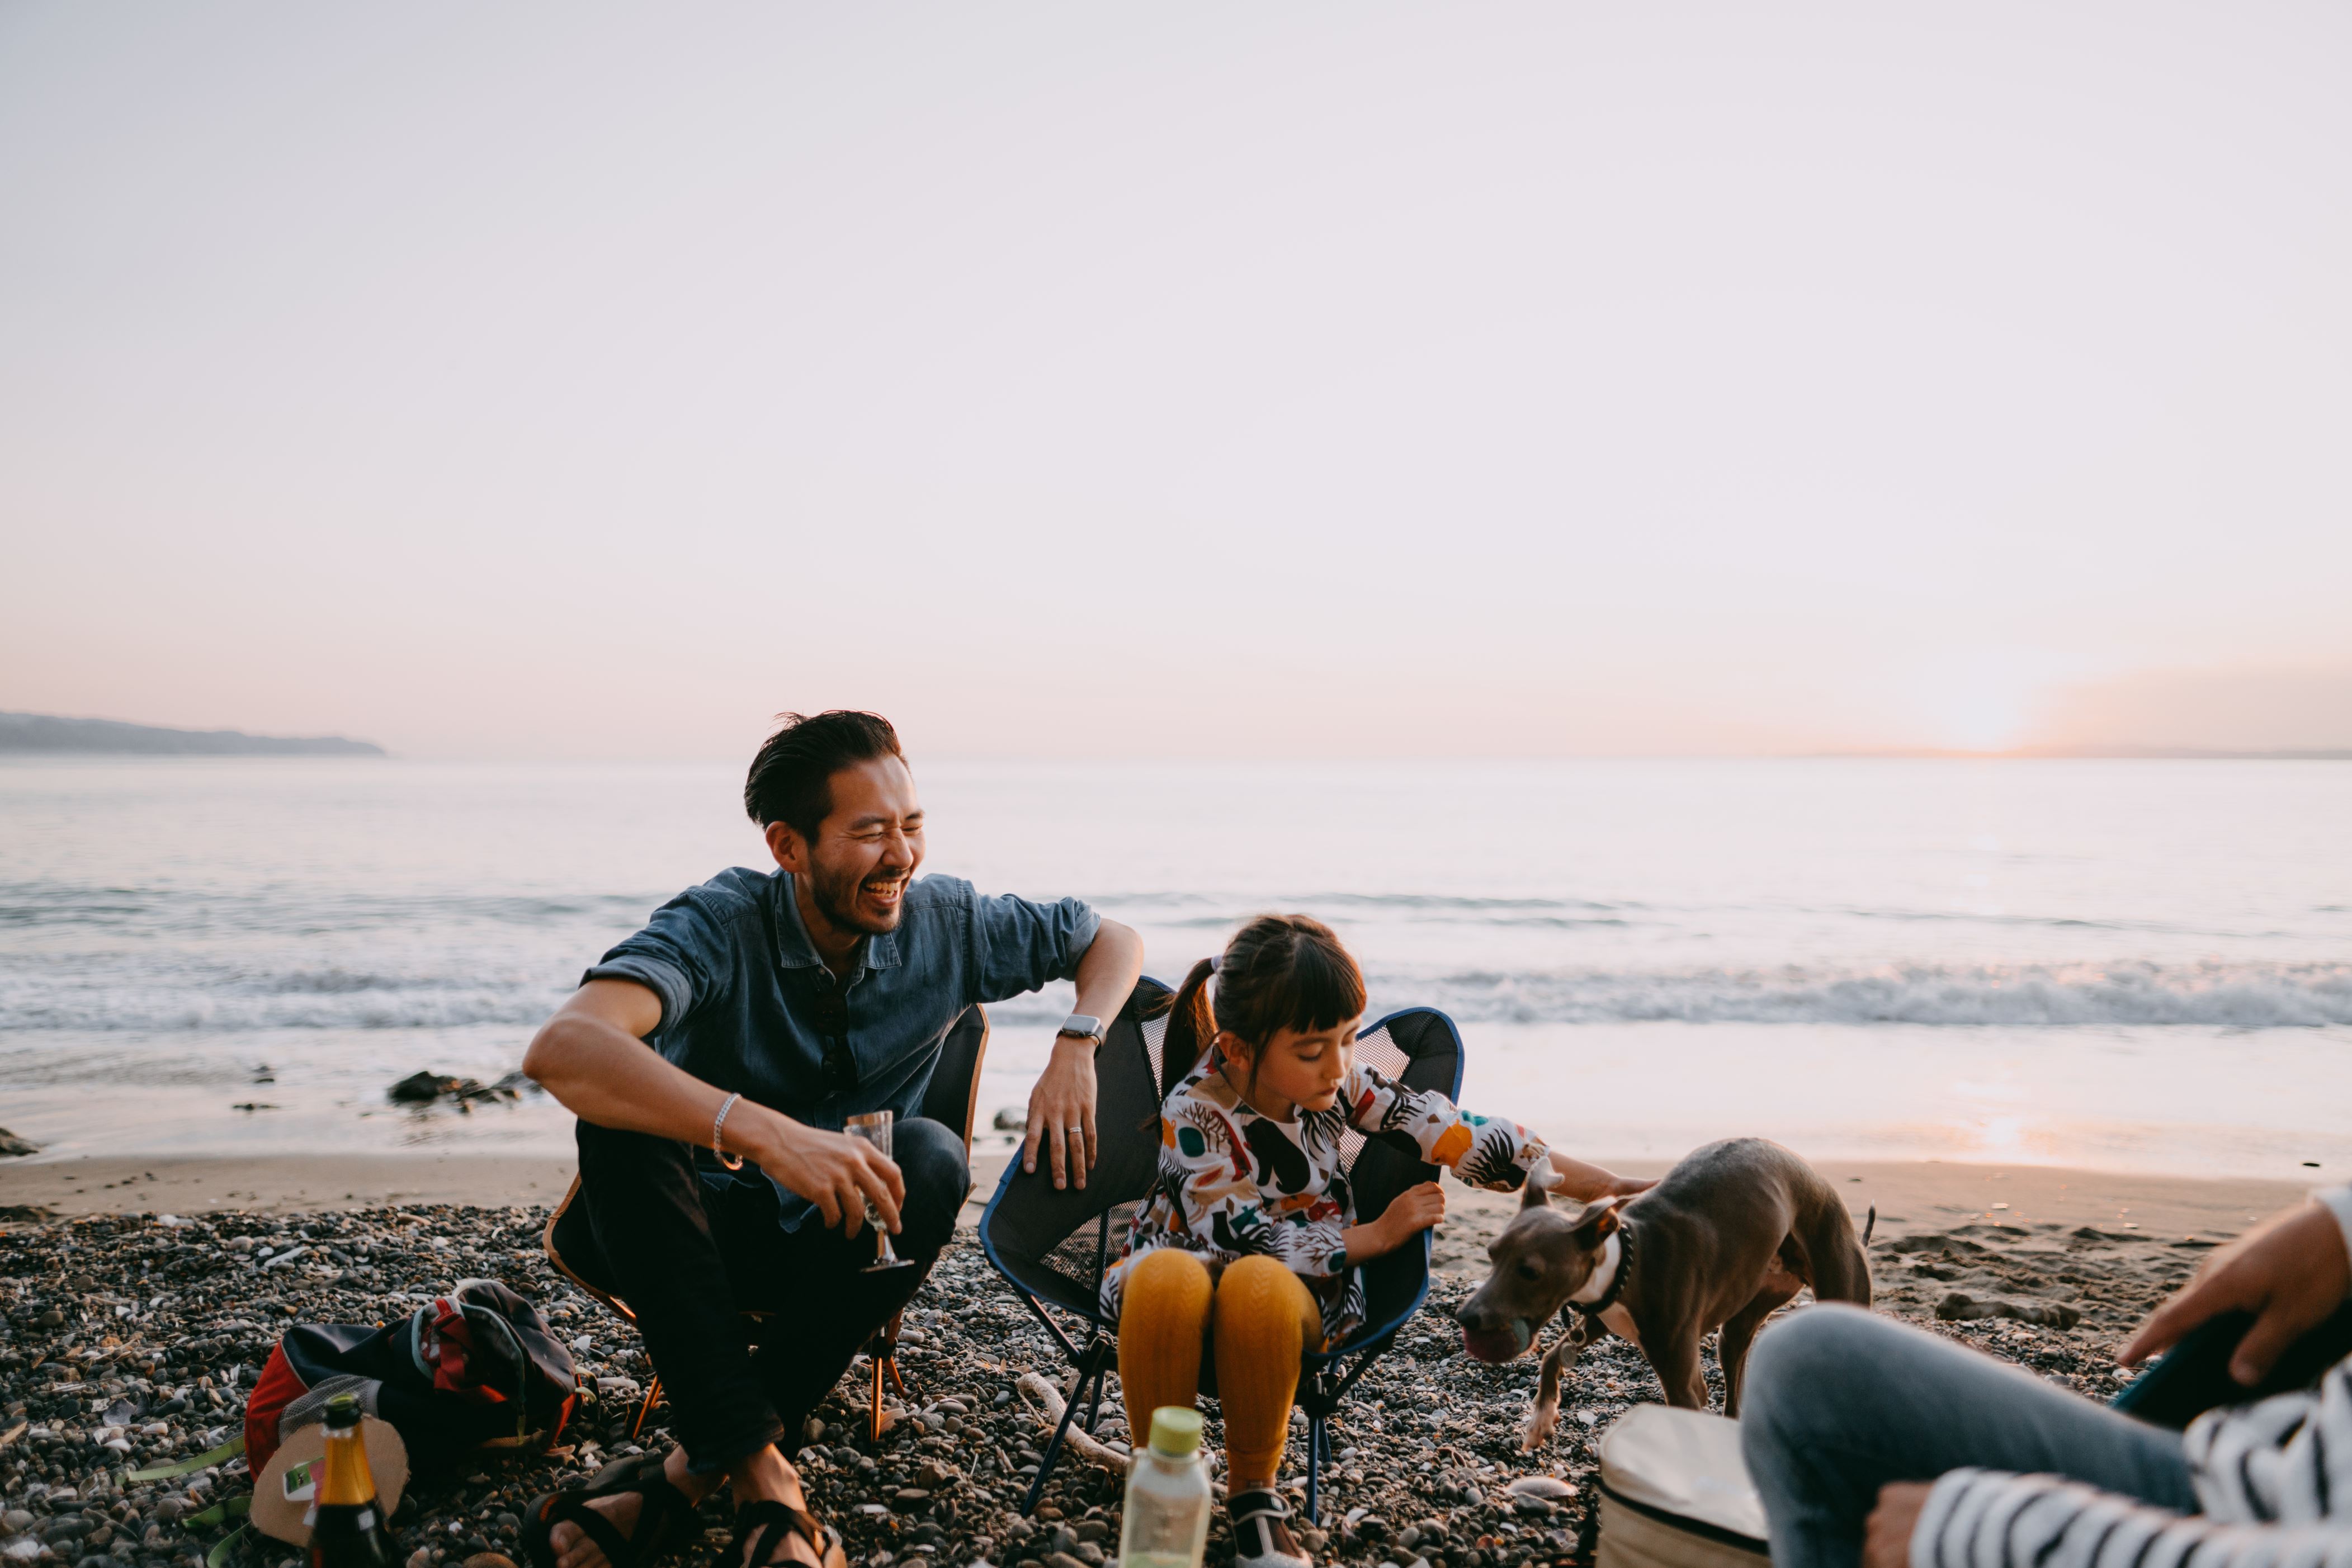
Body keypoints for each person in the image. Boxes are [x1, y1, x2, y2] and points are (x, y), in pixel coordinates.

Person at [519, 711, 1144, 1568]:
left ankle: (691, 1475)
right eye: (870, 832)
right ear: (788, 846)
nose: (901, 857)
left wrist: (1078, 1043)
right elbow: (563, 1048)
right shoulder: (718, 924)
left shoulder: (948, 923)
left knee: (930, 1157)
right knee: (618, 1123)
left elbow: (1110, 939)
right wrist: (770, 1137)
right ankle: (767, 1488)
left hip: (843, 1252)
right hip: (682, 1244)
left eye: (911, 826)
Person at [1105, 914, 1651, 1568]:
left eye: (1348, 1040)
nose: (1338, 1064)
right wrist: (1378, 1233)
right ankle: (1162, 1479)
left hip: (1290, 1298)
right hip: (1180, 1282)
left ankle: (1255, 1496)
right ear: (1241, 1049)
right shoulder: (1194, 1111)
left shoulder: (1344, 1083)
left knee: (1258, 1286)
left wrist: (1603, 1182)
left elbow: (1457, 1131)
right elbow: (1242, 1234)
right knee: (1170, 1273)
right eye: (1313, 1050)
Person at [1739, 1184, 2352, 1568]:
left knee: (1811, 1361)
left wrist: (1988, 1528)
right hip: (2280, 1467)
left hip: (2277, 1527)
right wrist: (2341, 1227)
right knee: (1819, 1365)